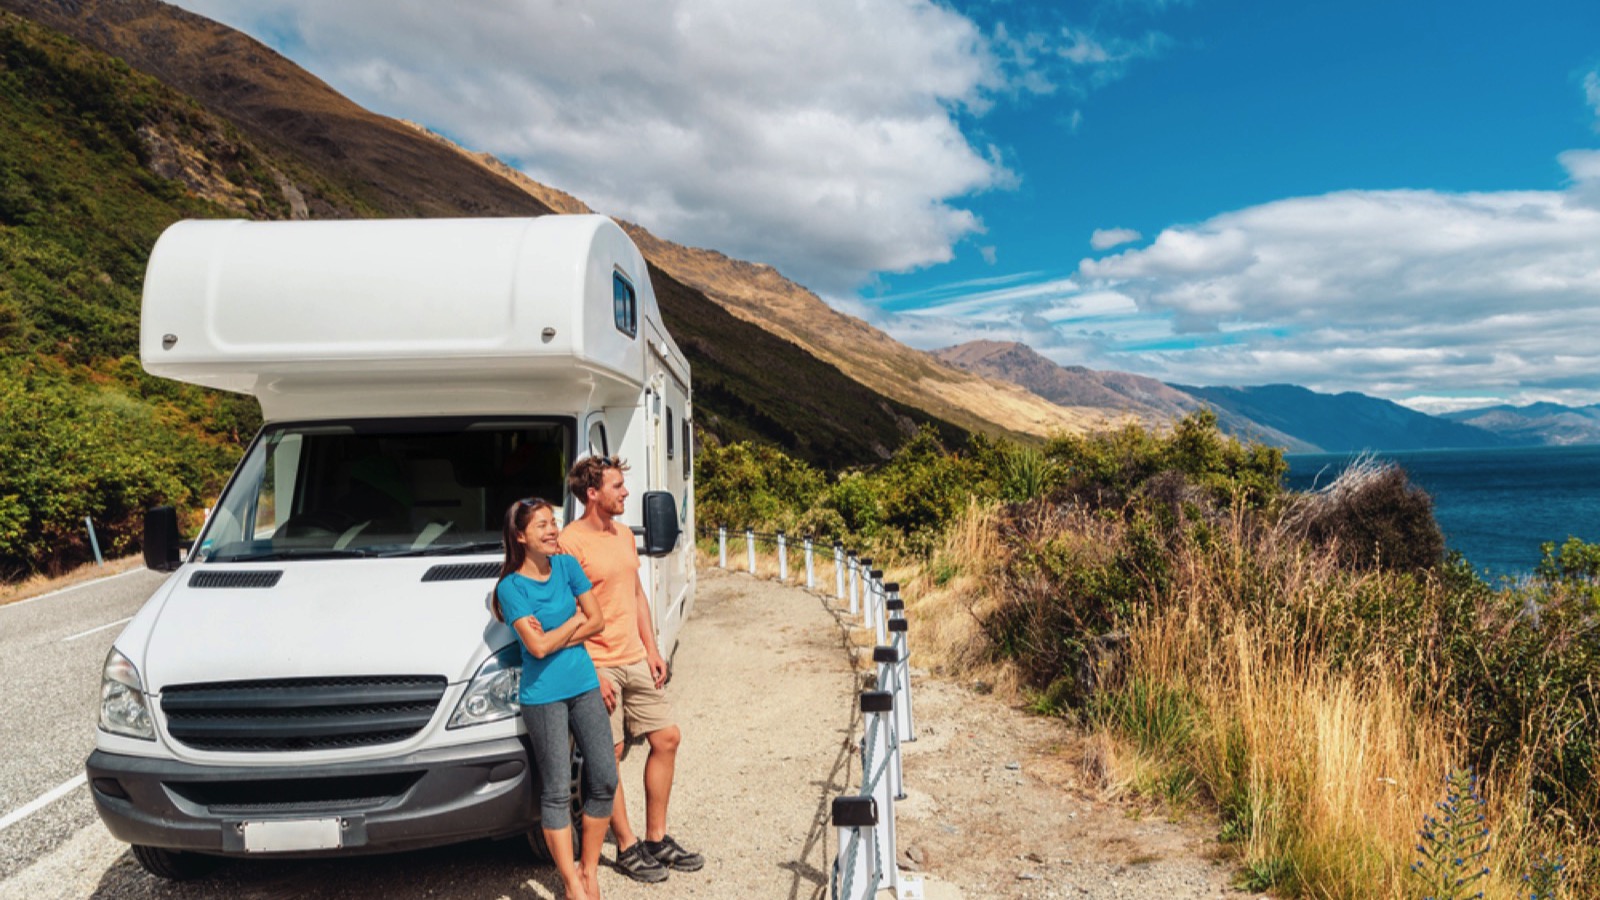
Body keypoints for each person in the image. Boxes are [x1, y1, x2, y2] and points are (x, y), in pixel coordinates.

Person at [560, 456, 704, 883]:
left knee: (667, 738)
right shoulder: (570, 543)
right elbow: (565, 612)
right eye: (618, 486)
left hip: (634, 657)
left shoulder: (622, 534)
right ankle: (626, 846)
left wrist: (652, 648)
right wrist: (591, 669)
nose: (625, 493)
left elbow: (636, 593)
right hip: (599, 664)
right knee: (612, 756)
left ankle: (656, 838)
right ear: (592, 493)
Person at [495, 497, 618, 900]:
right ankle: (571, 883)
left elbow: (596, 619)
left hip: (583, 683)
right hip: (543, 695)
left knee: (604, 777)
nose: (552, 531)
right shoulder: (511, 587)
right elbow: (538, 650)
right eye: (542, 526)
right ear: (519, 536)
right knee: (555, 790)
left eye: (553, 523)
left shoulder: (566, 565)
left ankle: (589, 868)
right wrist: (572, 624)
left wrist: (554, 634)